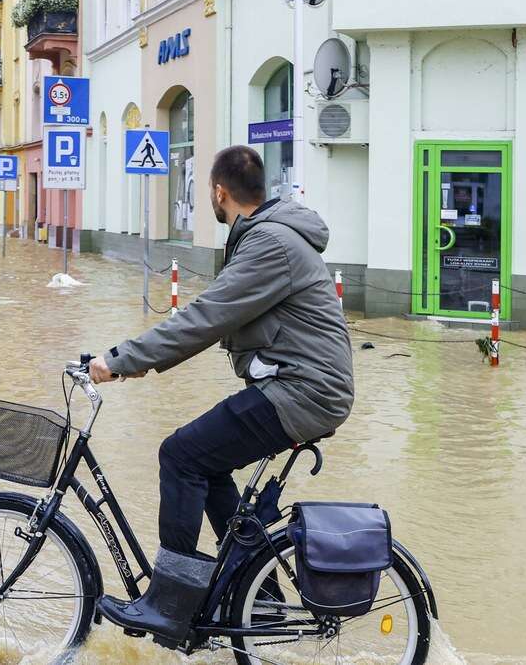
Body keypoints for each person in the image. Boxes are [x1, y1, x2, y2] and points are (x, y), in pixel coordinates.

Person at [90, 145, 354, 646]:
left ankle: (169, 605)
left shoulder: (270, 244)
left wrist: (120, 360)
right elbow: (215, 317)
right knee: (206, 464)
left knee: (181, 454)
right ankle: (265, 604)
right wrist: (141, 362)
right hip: (300, 386)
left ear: (218, 192)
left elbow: (206, 317)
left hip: (305, 392)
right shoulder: (273, 235)